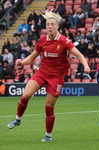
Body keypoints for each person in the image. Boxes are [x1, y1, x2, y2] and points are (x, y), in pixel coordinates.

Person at [7, 9, 90, 142]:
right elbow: (32, 57)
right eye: (47, 25)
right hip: (42, 72)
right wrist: (22, 62)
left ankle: (48, 135)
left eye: (52, 24)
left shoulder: (64, 41)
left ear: (57, 26)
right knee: (26, 95)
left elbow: (79, 55)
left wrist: (86, 66)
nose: (50, 27)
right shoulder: (42, 40)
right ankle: (17, 119)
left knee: (48, 107)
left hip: (57, 76)